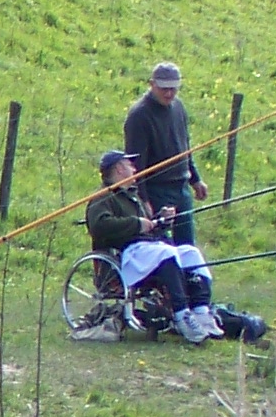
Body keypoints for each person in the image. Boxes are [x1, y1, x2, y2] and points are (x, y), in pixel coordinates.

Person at [86, 152, 266, 342]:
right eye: (130, 165)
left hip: (148, 250)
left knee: (190, 252)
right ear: (119, 169)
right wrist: (137, 223)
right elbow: (99, 226)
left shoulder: (132, 196)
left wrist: (160, 219)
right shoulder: (102, 197)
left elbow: (149, 226)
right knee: (166, 253)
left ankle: (201, 311)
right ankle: (182, 315)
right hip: (126, 254)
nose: (134, 169)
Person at [123, 61, 205, 246]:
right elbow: (136, 165)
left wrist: (195, 179)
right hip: (156, 190)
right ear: (152, 84)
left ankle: (189, 275)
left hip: (181, 188)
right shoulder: (139, 115)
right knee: (160, 245)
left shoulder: (178, 107)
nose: (169, 93)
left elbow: (185, 147)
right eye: (163, 89)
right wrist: (144, 200)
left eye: (173, 89)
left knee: (186, 246)